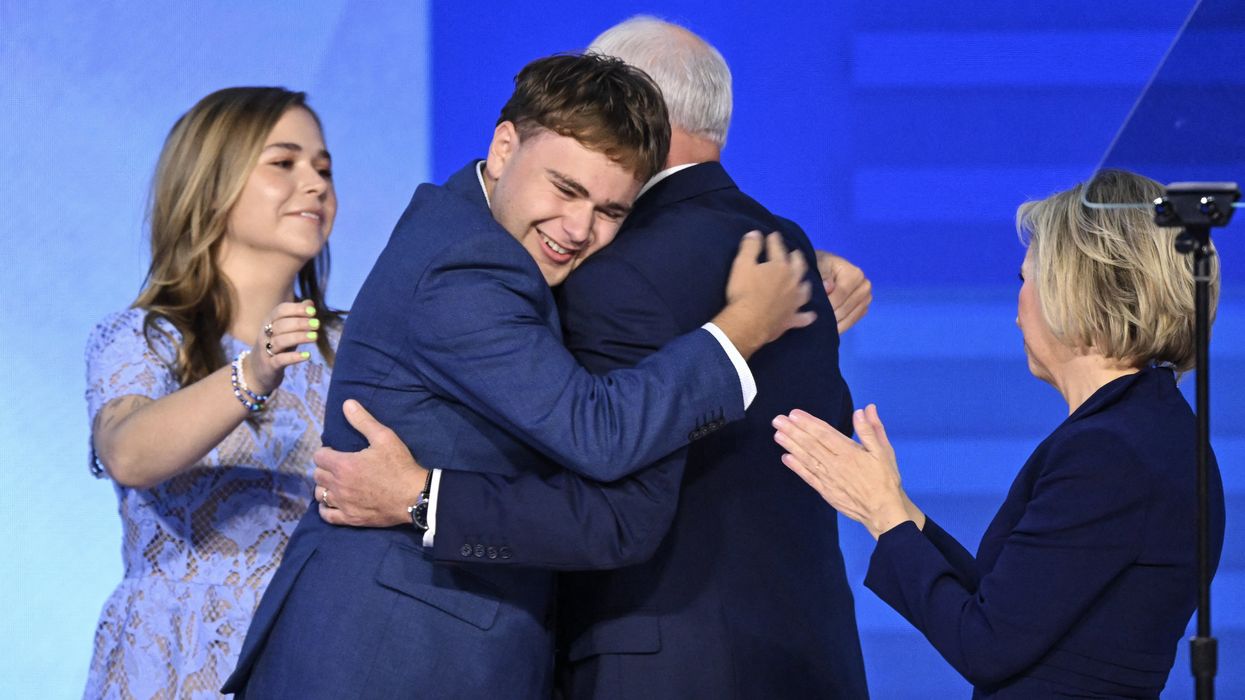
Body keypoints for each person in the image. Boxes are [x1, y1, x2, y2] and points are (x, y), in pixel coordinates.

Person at [223, 53, 816, 699]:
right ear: (503, 148)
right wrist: (742, 328)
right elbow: (600, 431)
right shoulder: (465, 271)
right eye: (564, 189)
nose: (578, 228)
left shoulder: (475, 229)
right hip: (387, 651)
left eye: (610, 211)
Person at [773, 169, 1225, 698]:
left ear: (1076, 290)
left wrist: (883, 515)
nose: (1017, 310)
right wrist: (900, 511)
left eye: (1025, 279)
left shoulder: (1111, 450)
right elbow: (1005, 606)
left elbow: (985, 645)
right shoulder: (1141, 428)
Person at [83, 87, 339, 698]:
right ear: (211, 186)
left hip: (314, 650)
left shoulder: (352, 347)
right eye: (284, 163)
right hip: (174, 657)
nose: (316, 183)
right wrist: (251, 375)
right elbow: (128, 452)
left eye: (324, 168)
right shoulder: (143, 339)